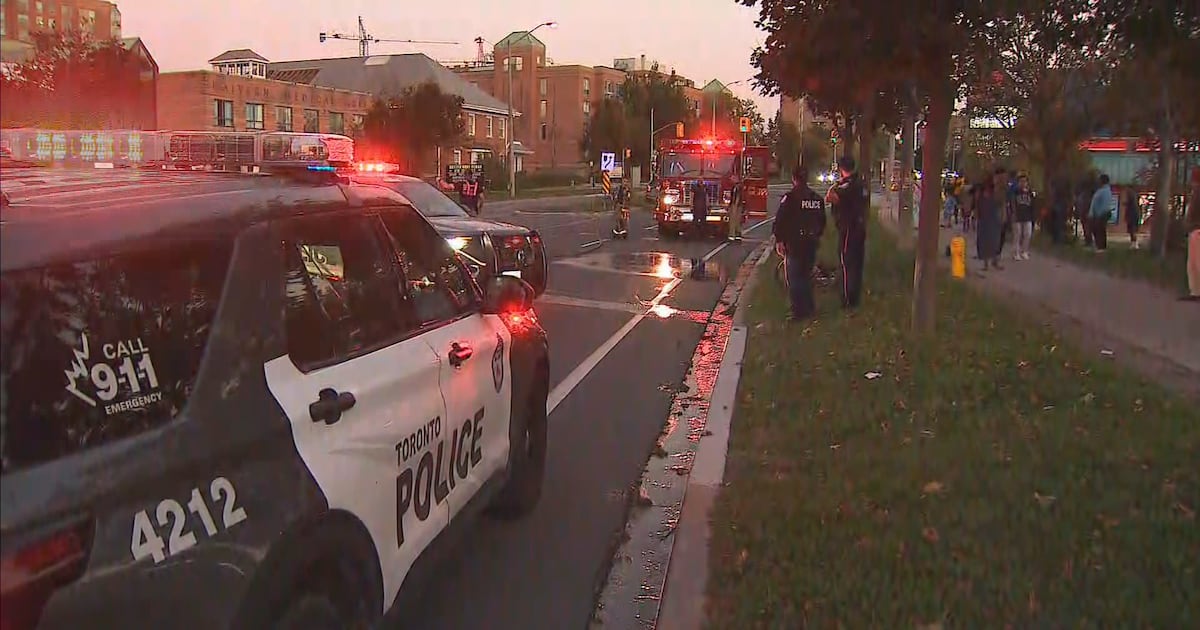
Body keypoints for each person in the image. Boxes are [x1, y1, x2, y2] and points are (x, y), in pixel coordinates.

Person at [773, 164, 826, 320]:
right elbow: (822, 221)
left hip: (795, 243)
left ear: (793, 179)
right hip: (811, 243)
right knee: (806, 275)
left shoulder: (790, 198)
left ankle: (798, 312)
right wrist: (816, 235)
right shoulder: (816, 198)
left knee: (795, 278)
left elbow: (780, 220)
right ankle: (809, 309)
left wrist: (779, 240)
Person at [825, 156, 868, 309]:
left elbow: (830, 198)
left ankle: (848, 300)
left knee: (846, 264)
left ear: (841, 168)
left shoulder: (846, 186)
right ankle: (855, 298)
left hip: (848, 229)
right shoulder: (860, 184)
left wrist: (834, 186)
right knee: (857, 264)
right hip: (860, 228)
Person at [976, 168, 1005, 270]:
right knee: (985, 240)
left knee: (995, 240)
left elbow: (1001, 204)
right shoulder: (982, 191)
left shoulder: (997, 191)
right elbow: (977, 203)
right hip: (984, 218)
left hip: (993, 218)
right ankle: (986, 263)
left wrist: (1002, 216)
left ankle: (994, 261)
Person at [1012, 174, 1037, 260]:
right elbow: (1012, 203)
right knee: (1018, 234)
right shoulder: (1015, 191)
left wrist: (1033, 215)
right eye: (1021, 181)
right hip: (1017, 216)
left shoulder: (1030, 192)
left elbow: (1033, 204)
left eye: (1025, 181)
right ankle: (1016, 253)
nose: (1023, 183)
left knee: (1028, 234)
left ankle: (1024, 251)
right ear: (1018, 182)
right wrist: (1013, 213)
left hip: (1027, 216)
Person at [1089, 174, 1116, 252]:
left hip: (1101, 214)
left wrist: (1097, 215)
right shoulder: (1102, 190)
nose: (1098, 182)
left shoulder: (1104, 191)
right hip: (1099, 213)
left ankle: (1101, 247)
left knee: (1099, 230)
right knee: (1098, 230)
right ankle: (1099, 246)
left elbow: (1103, 204)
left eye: (1099, 180)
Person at [727, 175, 744, 241]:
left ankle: (732, 235)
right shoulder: (736, 187)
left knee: (733, 221)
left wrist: (734, 206)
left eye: (732, 178)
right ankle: (737, 235)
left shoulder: (737, 187)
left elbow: (737, 197)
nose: (731, 180)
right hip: (736, 205)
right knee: (737, 221)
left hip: (736, 206)